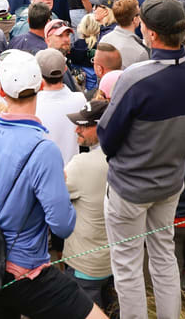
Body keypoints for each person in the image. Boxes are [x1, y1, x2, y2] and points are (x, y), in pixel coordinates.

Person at [0, 50, 107, 319]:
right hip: (30, 272)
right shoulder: (44, 149)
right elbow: (63, 224)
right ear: (40, 85)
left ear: (1, 90)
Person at [98, 0, 185, 319]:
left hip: (130, 187)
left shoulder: (136, 78)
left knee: (127, 265)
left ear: (150, 33)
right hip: (171, 181)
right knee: (164, 256)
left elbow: (107, 138)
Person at [63, 100, 116, 316]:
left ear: (101, 126)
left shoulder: (81, 164)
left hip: (85, 266)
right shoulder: (126, 155)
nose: (77, 129)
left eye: (83, 125)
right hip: (116, 262)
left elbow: (53, 196)